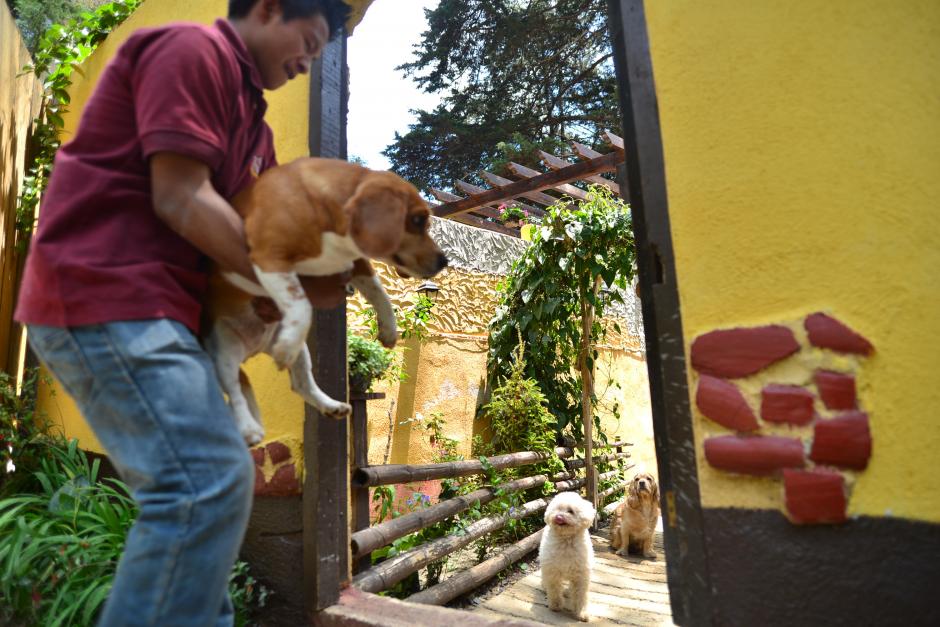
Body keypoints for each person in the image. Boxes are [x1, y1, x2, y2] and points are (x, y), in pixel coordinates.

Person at [14, 0, 351, 624]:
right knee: (206, 481)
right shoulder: (192, 52)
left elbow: (261, 237)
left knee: (207, 505)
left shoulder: (257, 127)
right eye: (308, 42)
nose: (308, 64)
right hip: (104, 292)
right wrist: (286, 285)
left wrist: (318, 269)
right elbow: (182, 196)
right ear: (269, 9)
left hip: (157, 312)